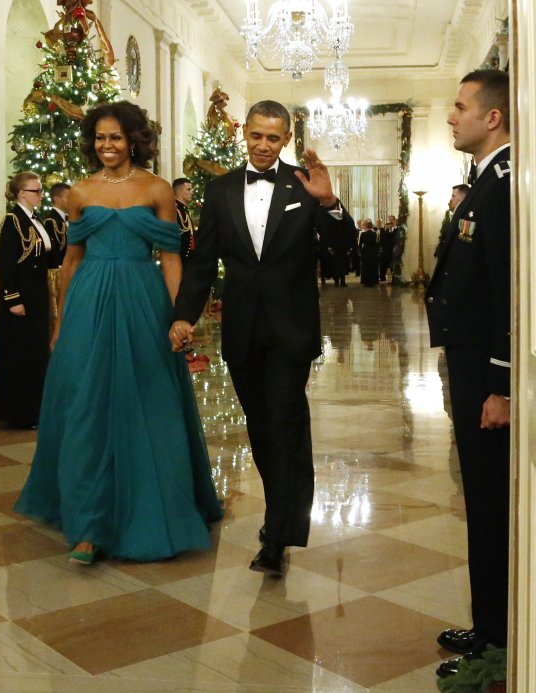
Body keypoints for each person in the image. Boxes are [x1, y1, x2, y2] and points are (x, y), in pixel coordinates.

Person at [14, 101, 222, 564]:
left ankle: (151, 508)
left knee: (145, 401)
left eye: (116, 137)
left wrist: (180, 317)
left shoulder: (157, 189)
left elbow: (171, 259)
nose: (107, 146)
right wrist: (61, 321)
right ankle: (87, 525)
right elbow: (71, 261)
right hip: (88, 302)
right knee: (86, 405)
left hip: (142, 300)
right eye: (100, 138)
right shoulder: (80, 192)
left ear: (133, 140)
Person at [170, 100, 354, 576]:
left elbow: (344, 251)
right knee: (260, 426)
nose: (264, 146)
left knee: (285, 422)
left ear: (286, 139)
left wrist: (329, 203)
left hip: (291, 329)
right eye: (256, 135)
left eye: (273, 138)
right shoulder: (221, 189)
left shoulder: (304, 184)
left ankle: (279, 534)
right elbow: (202, 262)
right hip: (242, 329)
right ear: (245, 134)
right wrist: (184, 315)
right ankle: (279, 515)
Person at [426, 69, 511, 680]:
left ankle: (497, 640)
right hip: (471, 361)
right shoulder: (484, 180)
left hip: (486, 368)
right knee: (480, 500)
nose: (452, 117)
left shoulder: (502, 185)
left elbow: (509, 287)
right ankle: (488, 626)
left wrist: (501, 384)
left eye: (461, 107)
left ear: (492, 117)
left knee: (490, 503)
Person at [0, 171, 56, 428]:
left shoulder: (35, 219)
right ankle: (20, 413)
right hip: (22, 298)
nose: (40, 194)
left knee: (36, 352)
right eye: (35, 190)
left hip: (37, 294)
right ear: (21, 194)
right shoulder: (13, 221)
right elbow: (7, 265)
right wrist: (13, 298)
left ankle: (36, 410)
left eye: (40, 190)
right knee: (20, 354)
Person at [434, 184, 469, 258]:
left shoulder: (465, 216)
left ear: (463, 198)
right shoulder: (456, 214)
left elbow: (464, 242)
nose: (450, 199)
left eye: (453, 196)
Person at [45, 182, 71, 264]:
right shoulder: (51, 221)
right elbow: (54, 252)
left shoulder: (70, 218)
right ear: (57, 199)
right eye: (69, 197)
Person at [173, 177, 195, 264]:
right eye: (188, 189)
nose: (192, 192)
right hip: (179, 260)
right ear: (179, 191)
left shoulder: (183, 210)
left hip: (188, 260)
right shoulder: (174, 210)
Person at [358, 219, 380, 287]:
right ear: (372, 226)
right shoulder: (374, 233)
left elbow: (360, 244)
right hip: (373, 251)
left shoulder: (363, 234)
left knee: (366, 266)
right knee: (373, 266)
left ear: (366, 226)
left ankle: (366, 281)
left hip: (365, 251)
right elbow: (376, 243)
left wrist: (360, 251)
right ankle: (373, 281)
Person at [378, 217, 396, 282]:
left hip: (393, 250)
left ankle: (394, 278)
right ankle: (382, 277)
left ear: (394, 220)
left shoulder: (396, 230)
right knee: (383, 263)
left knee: (393, 264)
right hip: (385, 250)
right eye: (389, 219)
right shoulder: (385, 231)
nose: (390, 221)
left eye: (392, 219)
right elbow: (382, 240)